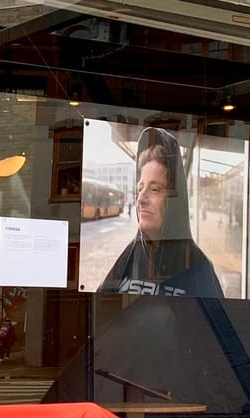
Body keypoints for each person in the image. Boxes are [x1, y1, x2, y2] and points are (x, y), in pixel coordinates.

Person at [96, 127, 224, 297]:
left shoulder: (198, 267)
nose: (140, 199)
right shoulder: (129, 256)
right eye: (140, 188)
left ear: (174, 202)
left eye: (155, 189)